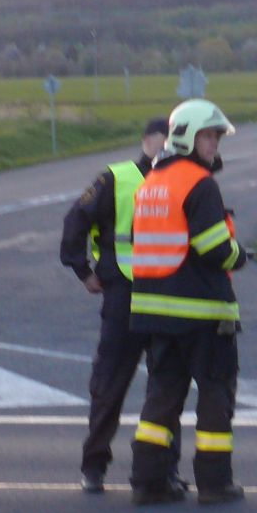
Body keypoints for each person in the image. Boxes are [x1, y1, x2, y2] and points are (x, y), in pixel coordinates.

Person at [127, 99, 249, 506]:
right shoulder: (200, 184)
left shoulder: (151, 182)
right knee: (216, 396)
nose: (214, 144)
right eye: (207, 136)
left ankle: (149, 481)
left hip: (155, 314)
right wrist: (240, 256)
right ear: (187, 138)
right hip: (203, 313)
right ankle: (214, 483)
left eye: (216, 137)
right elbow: (215, 248)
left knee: (162, 397)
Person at [60, 117, 172, 493]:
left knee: (166, 387)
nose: (168, 148)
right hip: (125, 293)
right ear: (147, 140)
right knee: (110, 382)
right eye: (164, 140)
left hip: (166, 295)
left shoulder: (180, 180)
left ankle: (159, 470)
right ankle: (94, 465)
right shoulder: (117, 178)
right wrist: (83, 271)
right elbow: (76, 220)